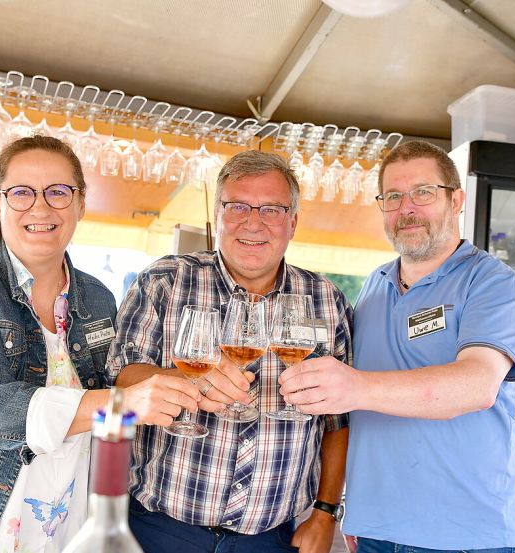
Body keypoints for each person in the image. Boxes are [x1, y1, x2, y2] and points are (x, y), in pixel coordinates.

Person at [0, 136, 200, 552]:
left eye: (58, 191)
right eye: (21, 192)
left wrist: (177, 391)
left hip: (60, 519)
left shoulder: (99, 298)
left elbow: (110, 409)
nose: (40, 206)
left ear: (81, 204)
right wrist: (124, 403)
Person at [279, 140, 515, 553]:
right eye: (393, 196)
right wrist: (351, 507)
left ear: (457, 200)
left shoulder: (489, 281)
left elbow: (478, 385)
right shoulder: (375, 285)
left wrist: (356, 387)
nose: (406, 208)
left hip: (466, 538)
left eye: (423, 193)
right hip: (376, 531)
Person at [107, 150, 353, 553]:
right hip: (161, 529)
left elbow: (337, 421)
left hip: (273, 538)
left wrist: (325, 513)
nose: (253, 222)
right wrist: (187, 379)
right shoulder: (166, 281)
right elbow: (121, 378)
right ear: (217, 215)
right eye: (237, 206)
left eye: (271, 209)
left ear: (293, 222)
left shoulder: (325, 298)